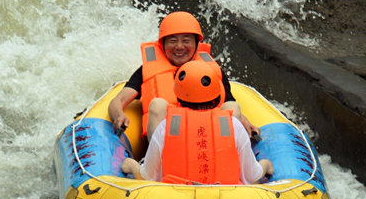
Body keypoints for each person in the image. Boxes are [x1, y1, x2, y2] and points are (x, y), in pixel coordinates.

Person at [120, 54, 273, 186]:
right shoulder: (233, 125)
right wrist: (265, 165)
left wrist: (132, 167)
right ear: (217, 96)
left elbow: (148, 177)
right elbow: (252, 178)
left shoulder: (166, 126)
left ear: (178, 96)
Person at [107, 10, 256, 141]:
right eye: (172, 41)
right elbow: (117, 101)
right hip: (166, 147)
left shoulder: (212, 71)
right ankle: (158, 163)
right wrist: (119, 115)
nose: (179, 47)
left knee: (232, 106)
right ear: (162, 45)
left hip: (207, 142)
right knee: (158, 105)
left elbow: (228, 104)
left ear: (196, 44)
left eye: (186, 41)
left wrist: (247, 124)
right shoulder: (147, 70)